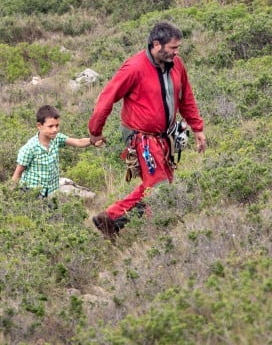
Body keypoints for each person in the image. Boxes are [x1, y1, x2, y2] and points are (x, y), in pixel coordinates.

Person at [88, 21, 207, 240]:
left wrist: (197, 128)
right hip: (140, 138)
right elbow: (107, 97)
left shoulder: (177, 65)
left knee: (160, 184)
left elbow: (186, 98)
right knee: (160, 187)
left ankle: (111, 220)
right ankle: (159, 236)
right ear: (156, 44)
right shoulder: (134, 67)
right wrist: (95, 131)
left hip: (166, 136)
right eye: (172, 48)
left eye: (177, 47)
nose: (176, 52)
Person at [11, 104, 95, 197]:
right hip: (32, 192)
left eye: (57, 125)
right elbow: (17, 174)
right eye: (50, 126)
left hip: (51, 191)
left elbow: (78, 142)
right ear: (39, 126)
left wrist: (93, 141)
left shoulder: (56, 139)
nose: (55, 129)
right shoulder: (30, 148)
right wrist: (12, 195)